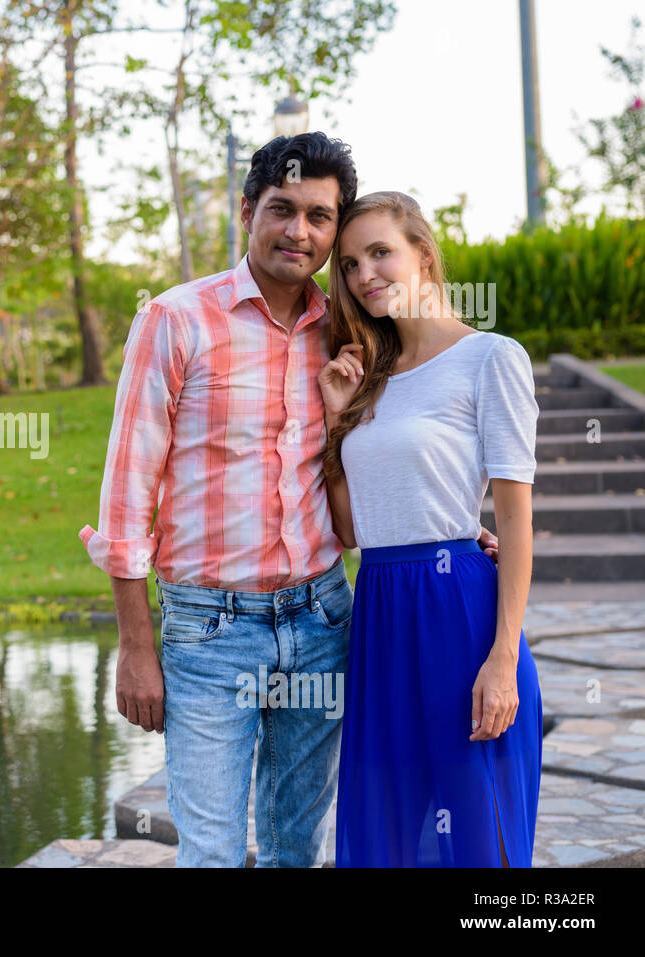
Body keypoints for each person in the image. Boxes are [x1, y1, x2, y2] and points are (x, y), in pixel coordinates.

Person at [80, 133, 502, 867]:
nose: (298, 231)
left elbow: (387, 456)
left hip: (322, 620)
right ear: (247, 210)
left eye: (318, 215)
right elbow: (126, 494)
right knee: (210, 851)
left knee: (294, 848)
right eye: (281, 209)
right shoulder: (176, 321)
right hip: (208, 630)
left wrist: (455, 536)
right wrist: (136, 646)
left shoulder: (351, 334)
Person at [321, 191, 542, 867]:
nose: (365, 275)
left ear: (422, 252)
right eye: (352, 263)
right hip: (382, 611)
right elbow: (353, 529)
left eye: (380, 252)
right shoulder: (369, 379)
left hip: (459, 611)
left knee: (475, 832)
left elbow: (513, 514)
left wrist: (502, 657)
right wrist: (336, 423)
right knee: (388, 825)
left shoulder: (490, 358)